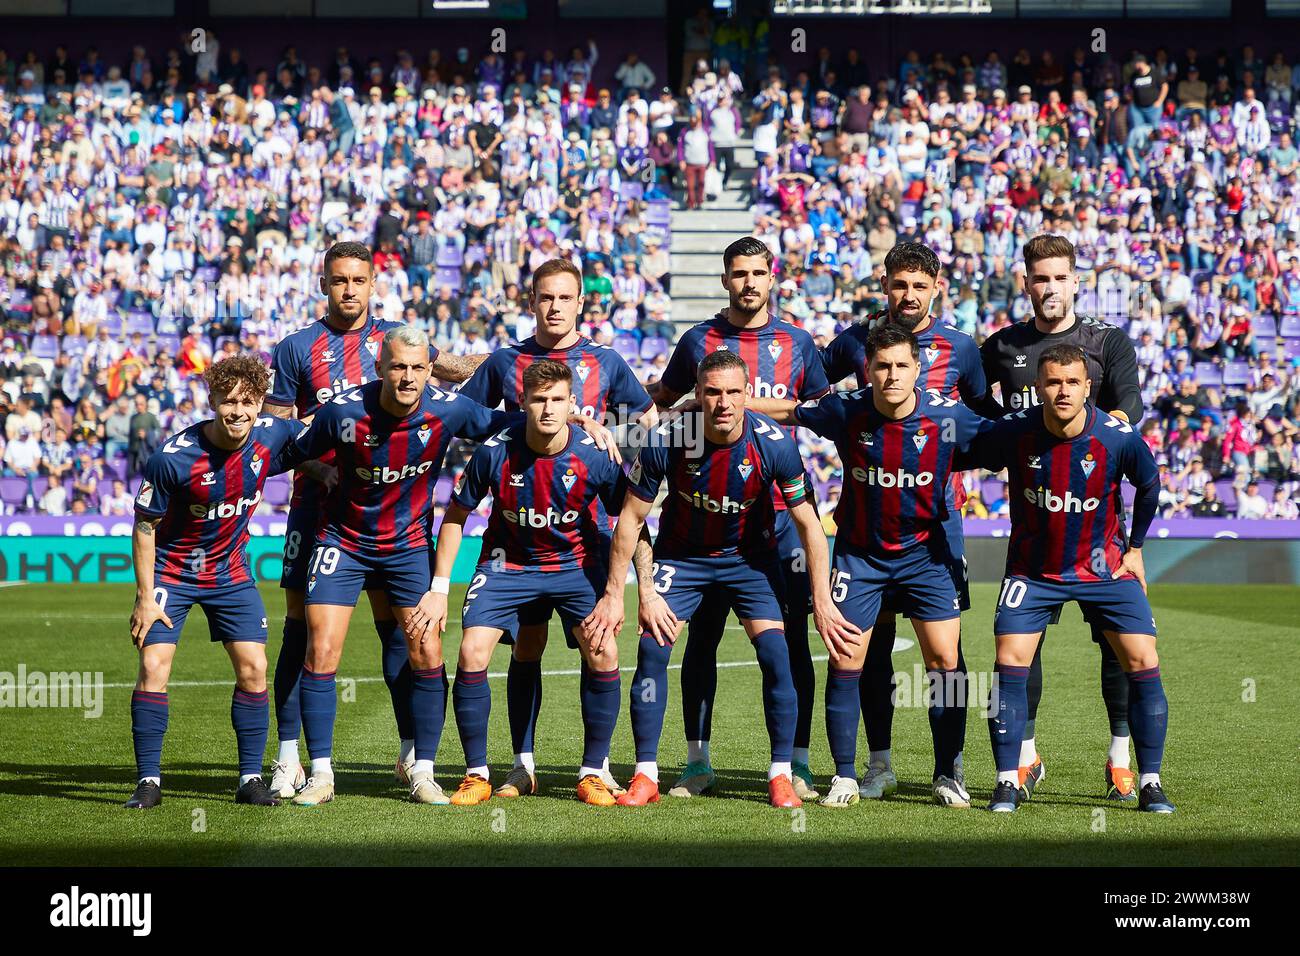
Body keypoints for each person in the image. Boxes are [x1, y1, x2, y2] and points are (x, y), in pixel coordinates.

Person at [260, 241, 487, 800]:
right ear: (324, 283)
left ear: (371, 284)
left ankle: (414, 753)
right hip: (321, 506)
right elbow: (279, 432)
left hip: (398, 512)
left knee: (401, 632)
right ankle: (291, 757)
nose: (349, 290)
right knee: (303, 629)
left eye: (358, 280)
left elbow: (458, 370)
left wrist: (520, 364)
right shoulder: (296, 349)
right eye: (339, 280)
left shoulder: (400, 340)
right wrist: (319, 466)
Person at [586, 350, 852, 808]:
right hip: (684, 558)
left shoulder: (774, 444)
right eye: (712, 392)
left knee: (776, 652)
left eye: (733, 392)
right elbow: (629, 520)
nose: (723, 402)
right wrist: (625, 594)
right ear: (699, 395)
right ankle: (650, 772)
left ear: (747, 395)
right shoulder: (669, 439)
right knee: (653, 647)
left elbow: (810, 526)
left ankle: (781, 773)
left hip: (751, 561)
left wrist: (823, 599)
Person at [766, 323, 992, 808]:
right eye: (882, 366)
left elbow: (1007, 442)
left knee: (944, 663)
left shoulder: (948, 416)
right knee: (848, 661)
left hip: (928, 559)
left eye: (901, 365)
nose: (892, 375)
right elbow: (790, 410)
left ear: (918, 369)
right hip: (861, 556)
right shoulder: (847, 409)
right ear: (867, 370)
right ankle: (848, 775)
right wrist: (727, 404)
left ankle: (947, 772)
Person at [404, 360, 648, 807]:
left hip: (574, 565)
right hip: (506, 564)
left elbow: (632, 521)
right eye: (539, 400)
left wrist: (627, 592)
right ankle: (477, 773)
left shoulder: (596, 455)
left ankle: (594, 771)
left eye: (558, 400)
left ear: (573, 403)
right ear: (522, 403)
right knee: (471, 651)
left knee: (604, 649)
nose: (548, 409)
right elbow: (456, 516)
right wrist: (439, 588)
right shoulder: (494, 452)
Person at [457, 258, 656, 799]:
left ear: (579, 304)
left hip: (582, 539)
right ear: (532, 302)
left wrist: (597, 428)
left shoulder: (606, 361)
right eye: (545, 298)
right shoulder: (505, 361)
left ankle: (596, 767)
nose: (554, 307)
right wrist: (552, 420)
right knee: (526, 649)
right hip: (515, 539)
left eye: (565, 299)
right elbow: (466, 421)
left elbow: (645, 422)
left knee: (599, 648)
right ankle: (521, 765)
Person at [647, 235, 832, 801]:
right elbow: (664, 404)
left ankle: (793, 763)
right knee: (698, 642)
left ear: (771, 277)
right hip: (700, 525)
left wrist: (752, 409)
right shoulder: (697, 340)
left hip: (773, 523)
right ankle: (696, 762)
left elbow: (819, 412)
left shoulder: (798, 343)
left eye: (758, 273)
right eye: (738, 273)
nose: (749, 282)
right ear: (725, 279)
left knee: (789, 644)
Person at [960, 343, 1173, 814]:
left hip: (1105, 569)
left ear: (1087, 387)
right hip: (1034, 571)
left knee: (1142, 658)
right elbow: (958, 453)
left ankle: (1152, 781)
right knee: (1009, 658)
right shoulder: (1015, 431)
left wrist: (1136, 547)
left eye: (1071, 382)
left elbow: (1151, 484)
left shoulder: (1117, 438)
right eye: (1053, 382)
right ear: (1038, 387)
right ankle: (1007, 780)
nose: (1062, 390)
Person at [978, 234, 1145, 804]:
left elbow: (1130, 414)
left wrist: (1073, 443)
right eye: (1039, 278)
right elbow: (979, 417)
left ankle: (1121, 756)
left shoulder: (1107, 342)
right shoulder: (1001, 348)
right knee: (1023, 647)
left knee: (1118, 644)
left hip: (1099, 528)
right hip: (1034, 529)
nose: (1049, 288)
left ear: (1077, 281)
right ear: (1026, 283)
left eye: (1059, 278)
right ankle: (1024, 756)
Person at [123, 355, 330, 810]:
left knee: (254, 669)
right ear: (212, 400)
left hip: (231, 574)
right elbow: (143, 527)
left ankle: (250, 779)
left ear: (260, 404)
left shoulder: (271, 437)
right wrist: (143, 598)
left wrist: (328, 469)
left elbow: (318, 434)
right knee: (154, 668)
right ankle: (148, 782)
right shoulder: (173, 459)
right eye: (228, 400)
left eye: (248, 401)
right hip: (172, 575)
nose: (238, 410)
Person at [820, 242, 987, 799]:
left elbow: (982, 422)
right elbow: (815, 398)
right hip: (868, 522)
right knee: (871, 643)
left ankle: (950, 767)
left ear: (937, 286)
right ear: (885, 284)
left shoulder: (963, 350)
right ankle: (877, 762)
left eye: (919, 285)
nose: (908, 295)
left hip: (939, 518)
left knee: (947, 651)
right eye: (898, 284)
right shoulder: (852, 342)